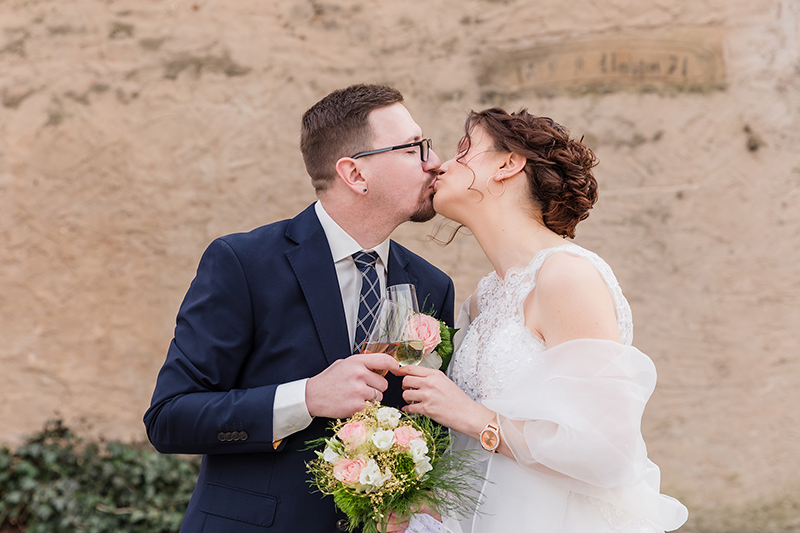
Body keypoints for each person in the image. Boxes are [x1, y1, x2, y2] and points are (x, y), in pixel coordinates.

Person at [143, 84, 455, 533]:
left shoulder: (431, 285)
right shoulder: (243, 263)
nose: (434, 161)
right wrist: (306, 398)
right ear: (354, 174)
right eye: (413, 148)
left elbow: (428, 422)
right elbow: (170, 418)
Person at [393, 108, 689, 532]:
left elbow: (608, 451)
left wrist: (473, 418)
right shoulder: (484, 298)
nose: (441, 163)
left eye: (464, 151)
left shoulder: (567, 277)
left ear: (508, 163)